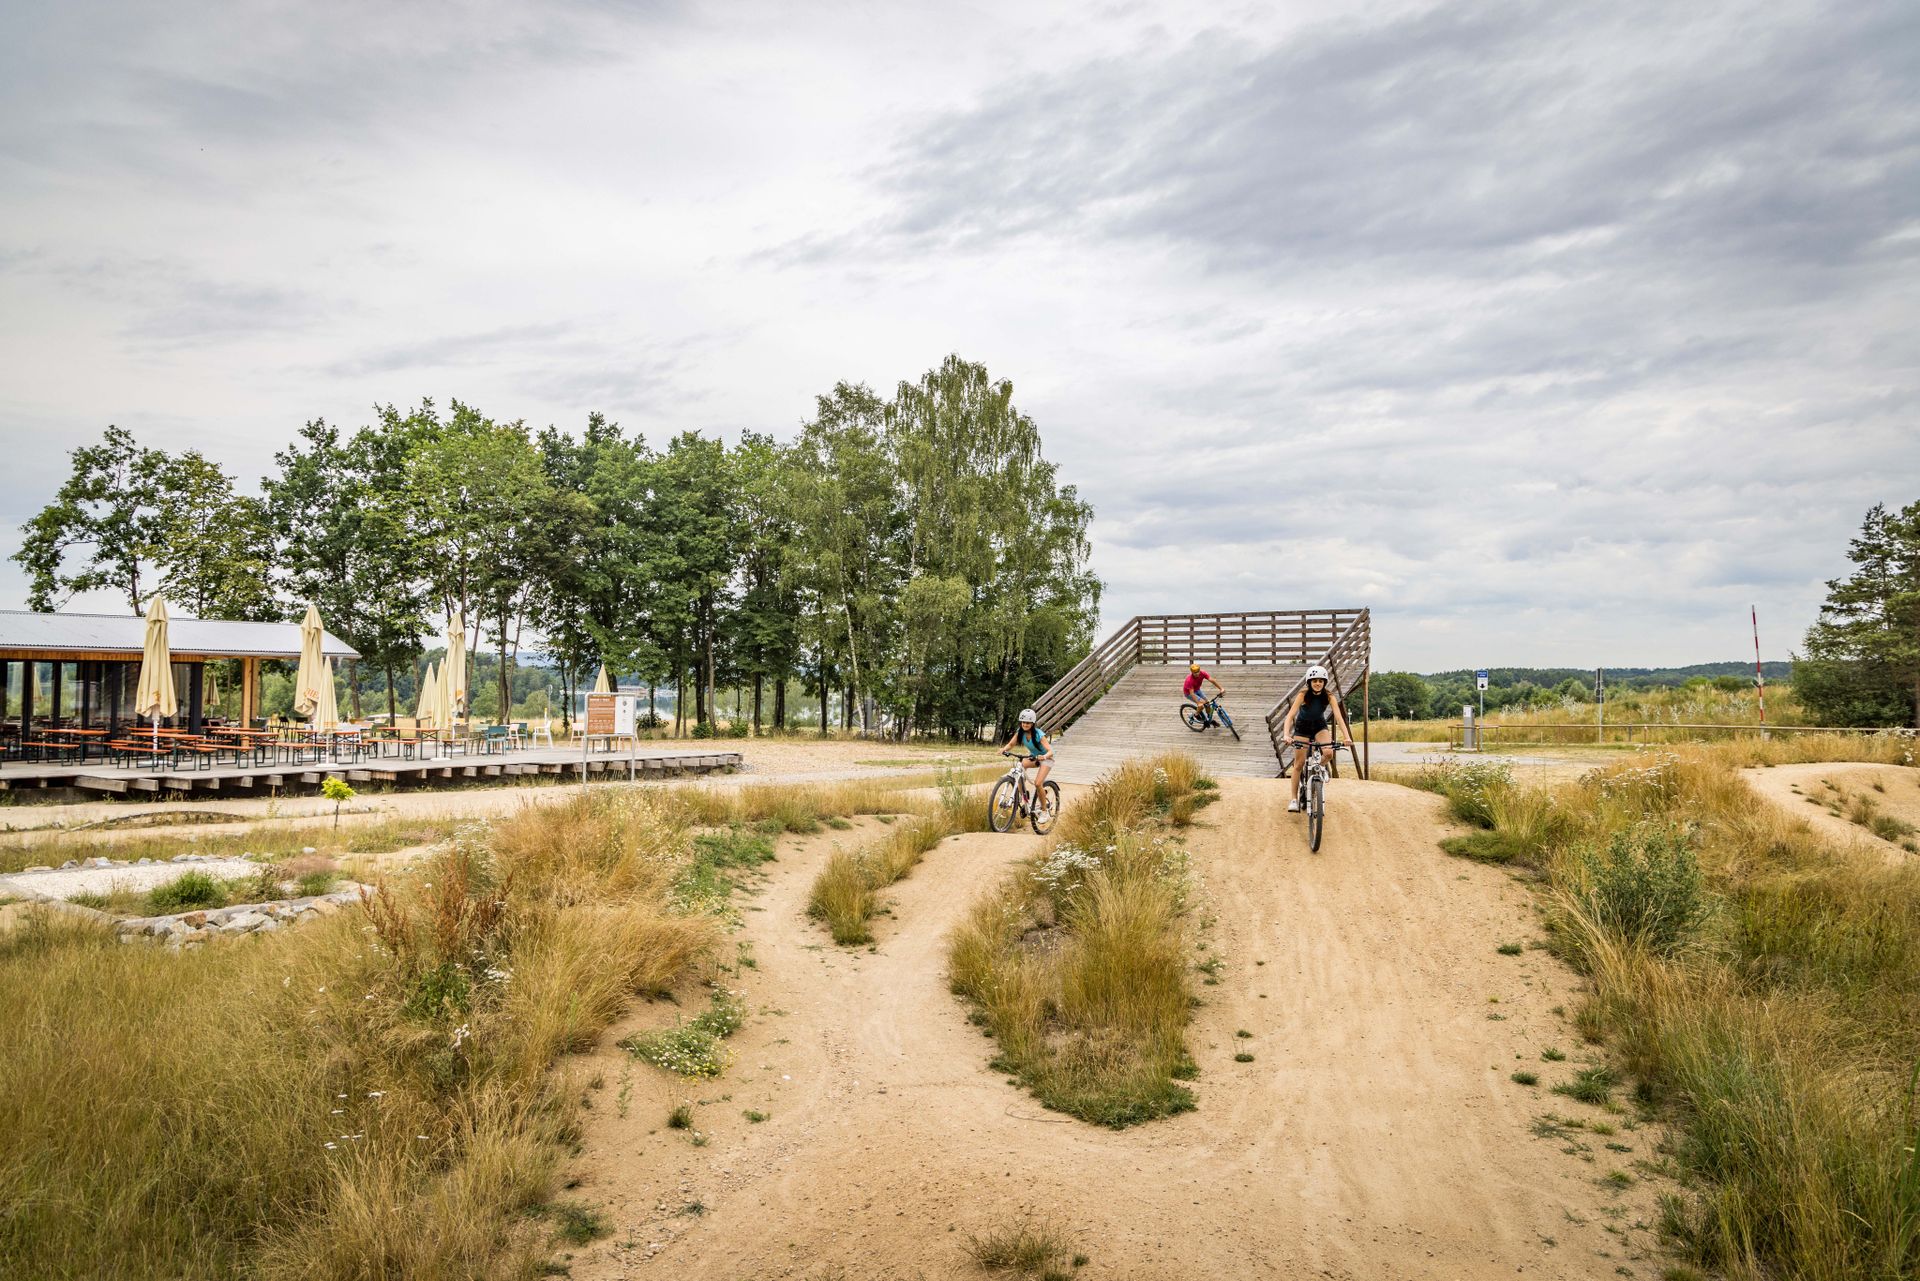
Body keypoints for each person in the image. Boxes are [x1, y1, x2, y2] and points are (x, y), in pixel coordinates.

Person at [1280, 664, 1354, 812]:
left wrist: (1347, 737)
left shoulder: (1329, 696)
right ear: (1309, 682)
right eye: (1314, 681)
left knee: (1329, 753)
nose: (1318, 683)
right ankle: (1294, 799)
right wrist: (1286, 735)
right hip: (1303, 727)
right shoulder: (1303, 695)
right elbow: (1290, 715)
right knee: (1299, 764)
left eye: (1321, 681)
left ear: (1324, 682)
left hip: (1319, 726)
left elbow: (1339, 718)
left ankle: (1319, 767)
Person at [1001, 708, 1054, 818]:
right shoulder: (1020, 732)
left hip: (1047, 759)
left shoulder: (1039, 734)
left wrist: (1043, 756)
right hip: (1033, 757)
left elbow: (1050, 751)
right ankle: (1024, 795)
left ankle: (1044, 812)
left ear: (1032, 723)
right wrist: (1003, 749)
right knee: (1018, 769)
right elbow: (1011, 744)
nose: (1025, 724)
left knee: (1038, 783)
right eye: (1023, 722)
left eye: (1028, 723)